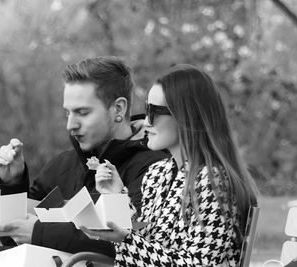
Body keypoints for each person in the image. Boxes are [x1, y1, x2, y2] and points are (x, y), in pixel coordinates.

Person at [0, 56, 168, 267]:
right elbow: (13, 239)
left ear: (118, 109)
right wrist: (12, 183)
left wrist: (39, 232)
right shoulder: (62, 164)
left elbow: (135, 243)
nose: (70, 125)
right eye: (67, 113)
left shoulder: (155, 169)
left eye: (82, 113)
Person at [82, 64, 258, 266]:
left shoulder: (215, 182)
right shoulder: (157, 173)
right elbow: (147, 240)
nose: (146, 122)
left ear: (187, 117)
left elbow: (198, 264)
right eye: (146, 109)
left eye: (154, 111)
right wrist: (116, 196)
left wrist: (125, 240)